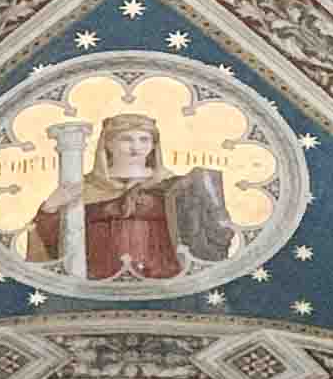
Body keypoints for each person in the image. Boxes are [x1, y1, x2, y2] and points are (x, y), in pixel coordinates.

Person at [25, 110, 232, 286]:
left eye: (144, 139)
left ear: (153, 145)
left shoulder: (174, 186)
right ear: (108, 144)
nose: (136, 146)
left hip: (162, 277)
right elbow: (56, 239)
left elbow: (204, 229)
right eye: (126, 139)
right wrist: (50, 208)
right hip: (98, 280)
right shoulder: (86, 188)